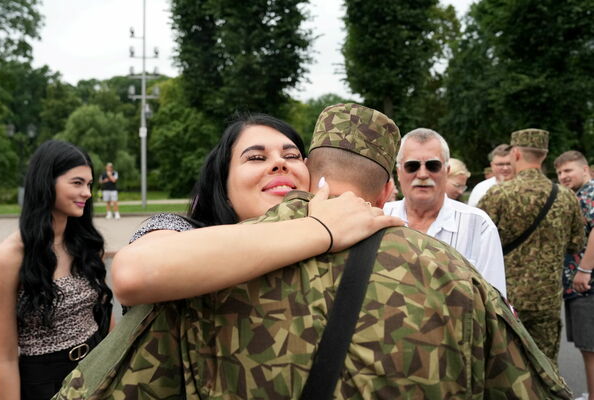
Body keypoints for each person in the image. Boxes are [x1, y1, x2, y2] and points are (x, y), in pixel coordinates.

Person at [56, 105, 571, 399]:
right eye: (255, 157)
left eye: (291, 155)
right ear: (222, 178)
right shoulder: (188, 239)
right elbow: (134, 271)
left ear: (314, 175)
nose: (279, 165)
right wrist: (320, 227)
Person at [0, 140, 114, 400]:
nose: (87, 193)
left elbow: (106, 321)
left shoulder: (86, 245)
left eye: (89, 184)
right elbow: (4, 359)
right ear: (46, 183)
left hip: (97, 371)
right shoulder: (8, 258)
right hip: (44, 384)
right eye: (77, 183)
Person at [478, 129, 584, 363]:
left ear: (515, 153)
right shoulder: (566, 197)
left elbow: (477, 242)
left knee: (505, 367)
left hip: (505, 298)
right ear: (544, 155)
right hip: (547, 300)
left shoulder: (498, 194)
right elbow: (576, 244)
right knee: (546, 369)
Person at [383, 128, 506, 297]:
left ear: (446, 171)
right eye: (412, 166)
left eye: (433, 166)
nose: (423, 174)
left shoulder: (478, 225)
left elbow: (495, 302)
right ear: (398, 172)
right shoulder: (379, 217)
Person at [554, 150, 594, 400]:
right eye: (559, 173)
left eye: (568, 170)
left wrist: (584, 270)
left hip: (586, 285)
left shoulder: (589, 195)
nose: (563, 176)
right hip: (581, 284)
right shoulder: (578, 195)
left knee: (589, 347)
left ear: (586, 170)